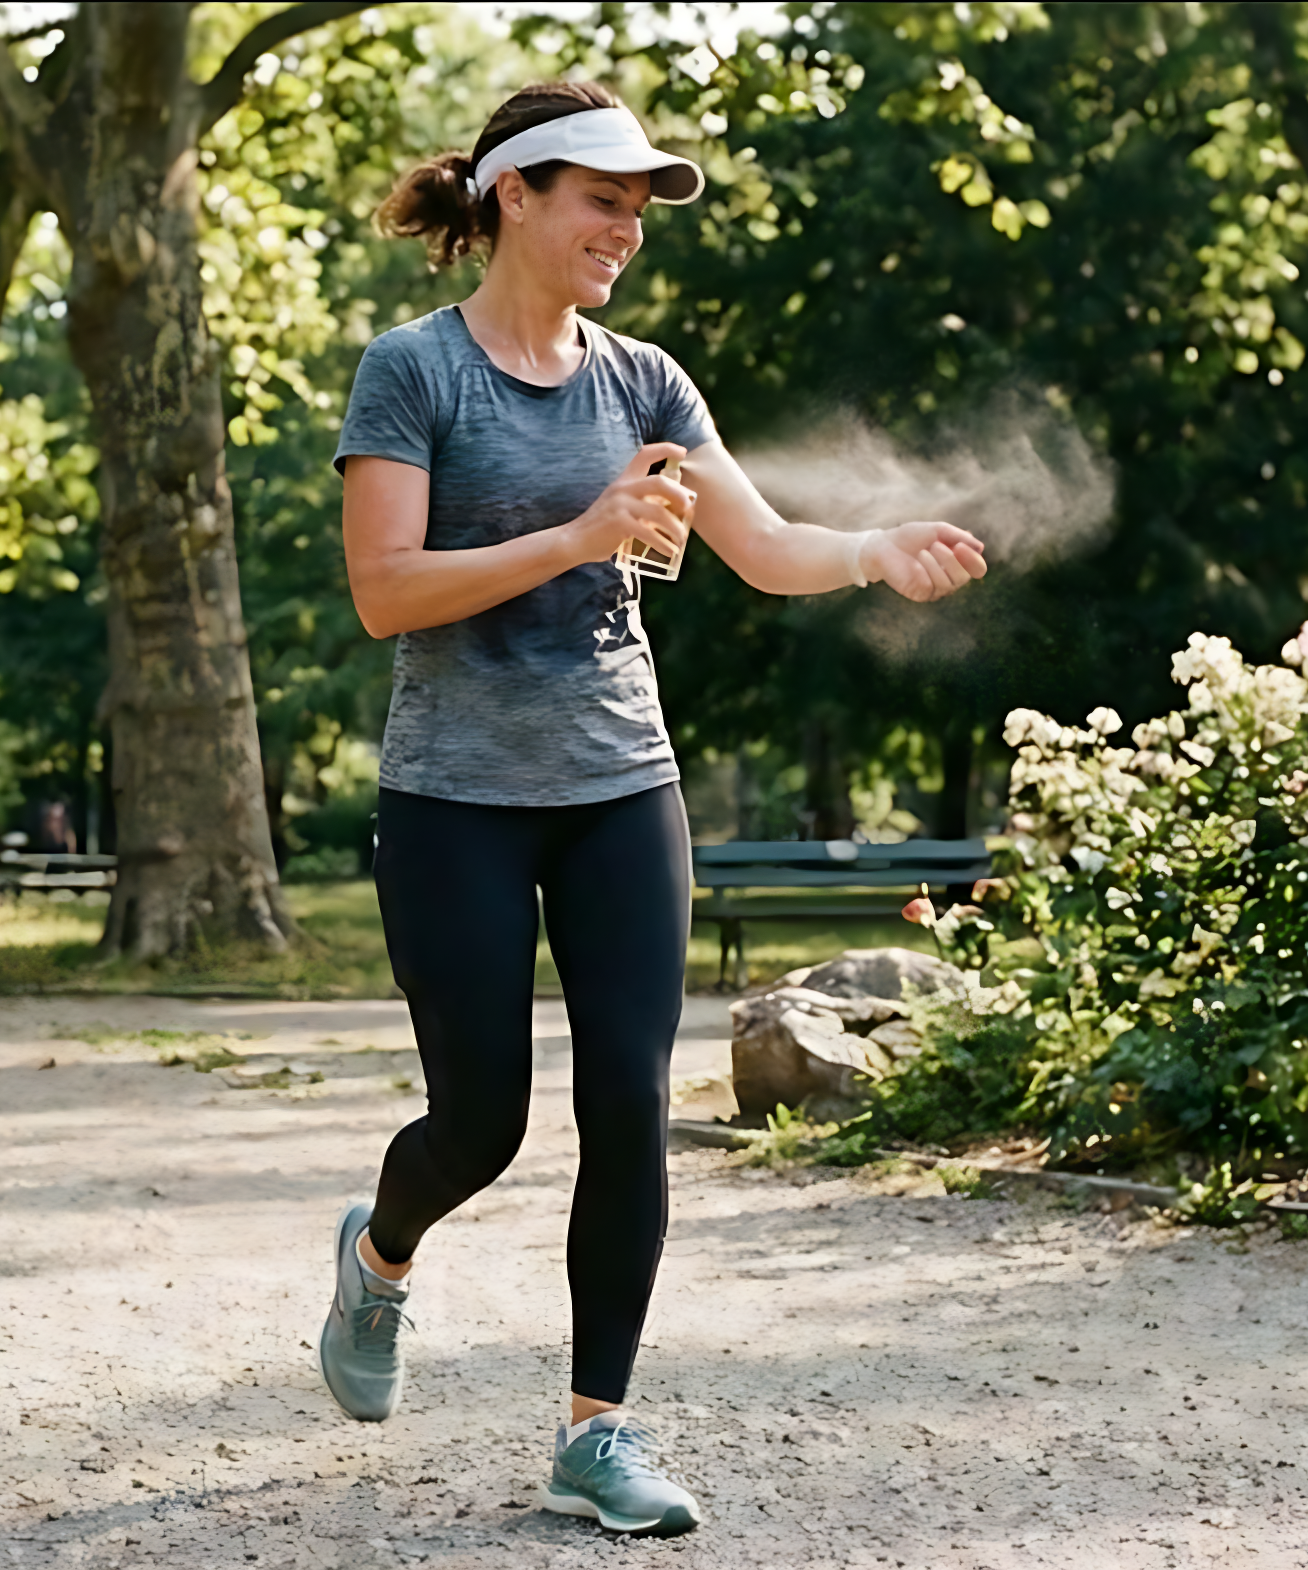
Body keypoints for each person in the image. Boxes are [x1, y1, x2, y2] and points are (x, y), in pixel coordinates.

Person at [316, 81, 987, 1539]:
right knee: (480, 1122)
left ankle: (597, 1429)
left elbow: (760, 544)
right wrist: (576, 532)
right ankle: (379, 1253)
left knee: (628, 1102)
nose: (627, 226)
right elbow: (384, 590)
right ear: (515, 196)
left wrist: (874, 548)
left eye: (639, 205)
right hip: (456, 797)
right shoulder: (413, 371)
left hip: (622, 784)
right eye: (602, 198)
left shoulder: (648, 381)